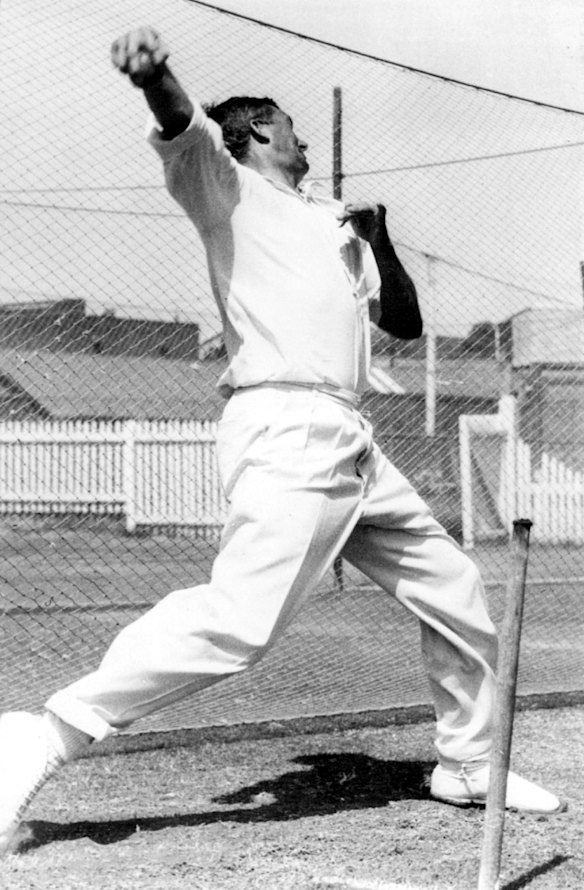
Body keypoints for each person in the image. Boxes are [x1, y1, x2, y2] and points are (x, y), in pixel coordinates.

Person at [0, 26, 563, 857]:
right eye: (293, 125)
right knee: (240, 623)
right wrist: (155, 74)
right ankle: (43, 733)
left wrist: (380, 238)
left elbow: (401, 322)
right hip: (285, 424)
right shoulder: (227, 190)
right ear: (262, 133)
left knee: (456, 588)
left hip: (352, 435)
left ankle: (470, 764)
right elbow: (183, 123)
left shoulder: (337, 227)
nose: (304, 138)